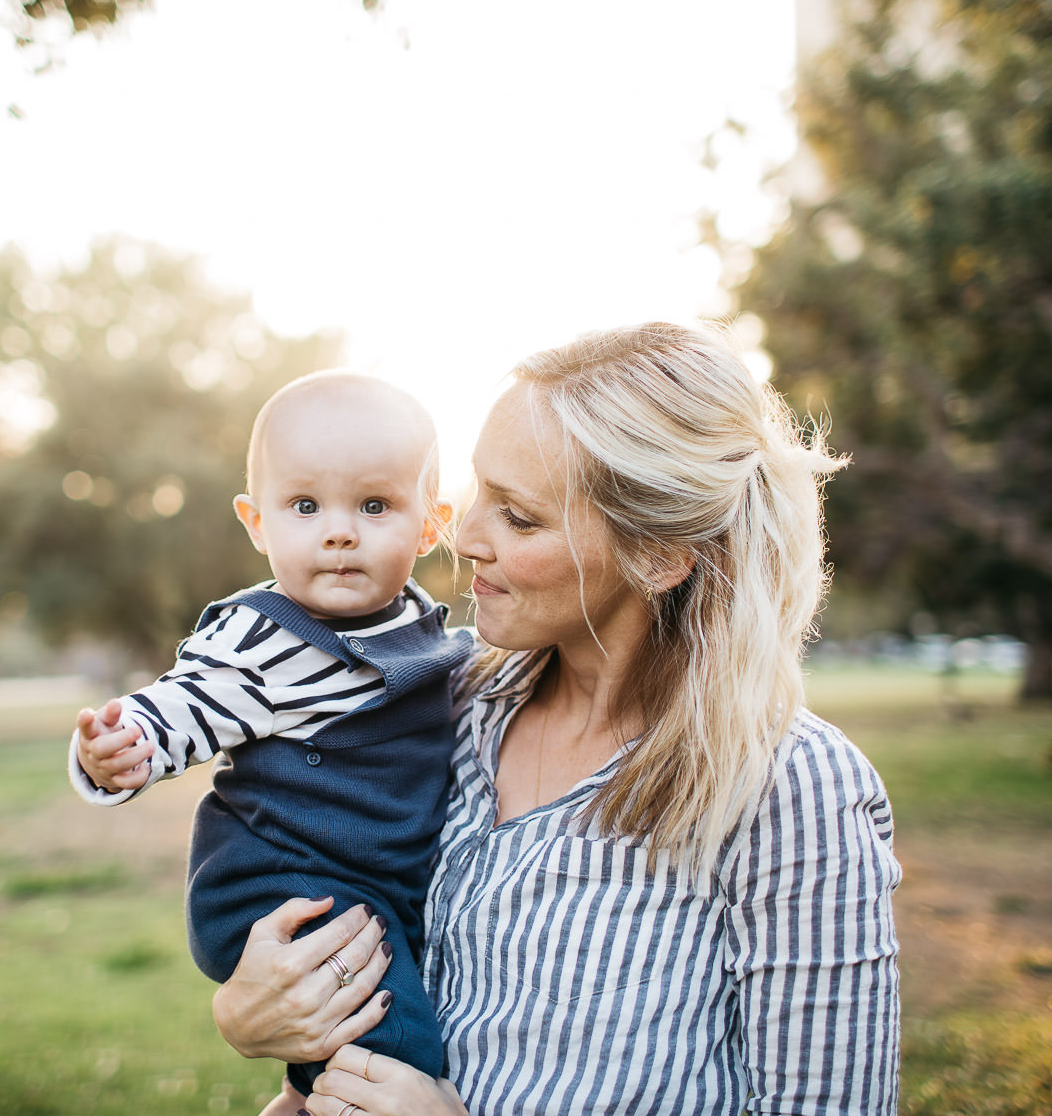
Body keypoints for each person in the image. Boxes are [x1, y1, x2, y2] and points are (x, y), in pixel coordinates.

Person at [209, 322, 902, 1116]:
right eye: (478, 492)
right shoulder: (446, 704)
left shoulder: (791, 787)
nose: (465, 537)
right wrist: (251, 1013)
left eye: (519, 517)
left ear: (659, 555)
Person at [70, 371, 474, 1098]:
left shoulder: (422, 626)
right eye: (305, 506)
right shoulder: (259, 638)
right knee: (399, 1046)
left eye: (375, 505)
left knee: (387, 1022)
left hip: (369, 886)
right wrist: (118, 747)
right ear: (257, 523)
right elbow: (180, 705)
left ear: (430, 524)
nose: (339, 531)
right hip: (281, 888)